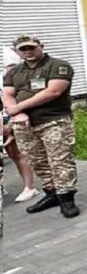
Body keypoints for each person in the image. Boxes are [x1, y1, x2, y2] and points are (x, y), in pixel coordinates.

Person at [2, 35, 80, 218]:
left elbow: (53, 91)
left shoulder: (57, 65)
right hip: (24, 125)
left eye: (31, 47)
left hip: (53, 122)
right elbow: (7, 94)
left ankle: (66, 198)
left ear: (41, 46)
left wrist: (18, 108)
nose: (28, 52)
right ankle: (52, 193)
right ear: (17, 52)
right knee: (37, 161)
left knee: (60, 161)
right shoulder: (14, 72)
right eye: (23, 49)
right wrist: (16, 113)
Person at [3, 46, 39, 202]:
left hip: (13, 117)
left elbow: (21, 98)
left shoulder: (21, 76)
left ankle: (29, 187)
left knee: (17, 154)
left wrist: (11, 122)